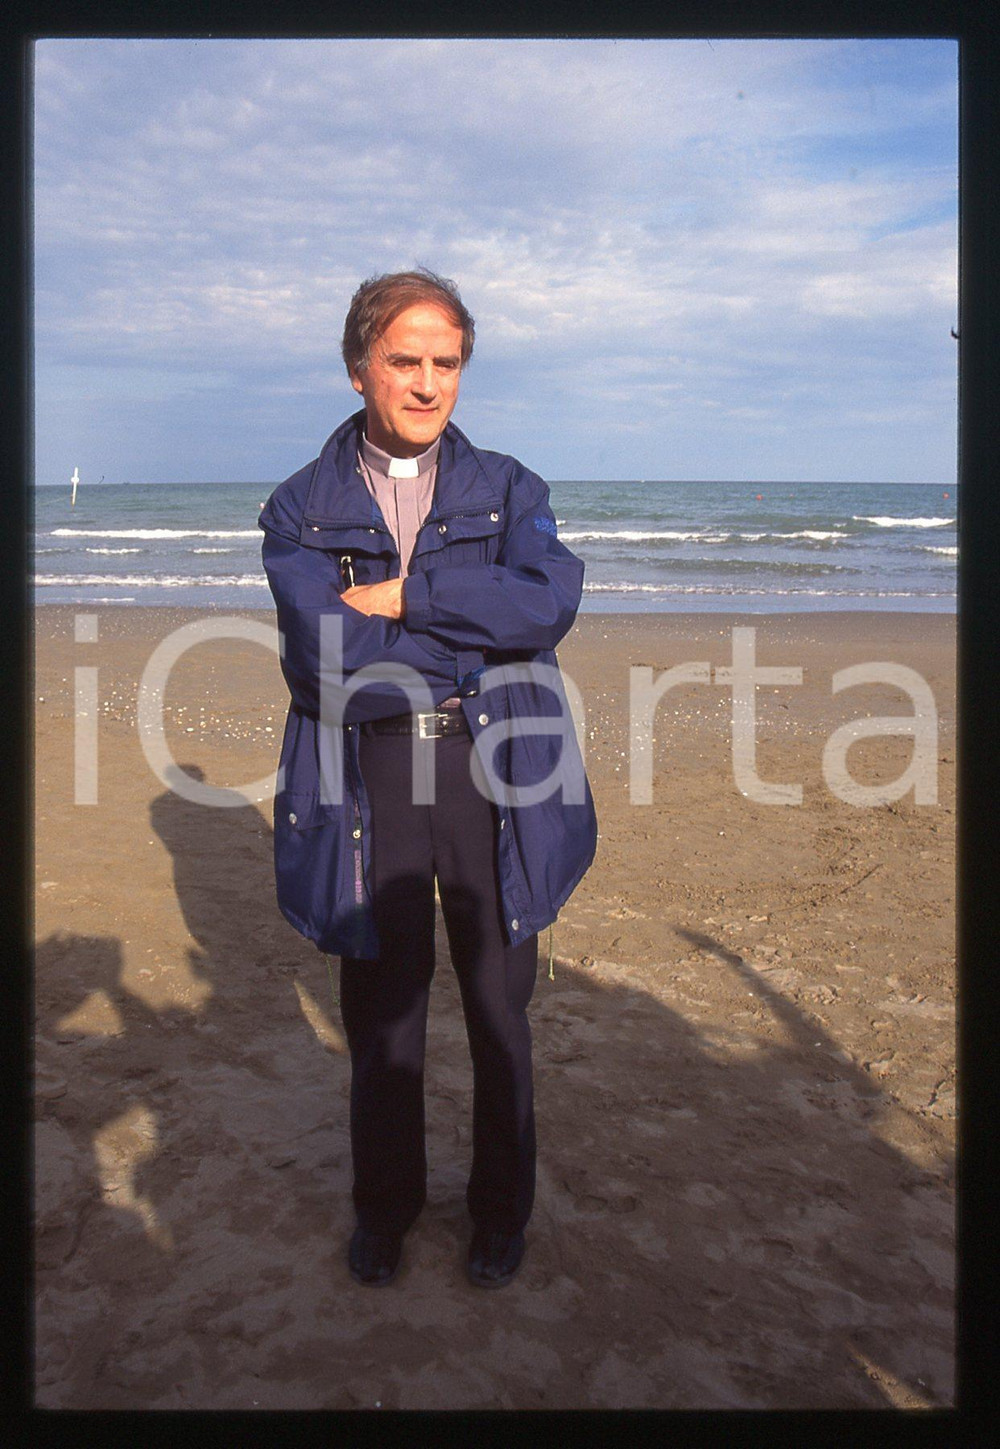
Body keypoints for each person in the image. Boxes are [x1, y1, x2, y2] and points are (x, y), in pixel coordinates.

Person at [258, 268, 597, 1289]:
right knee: (384, 1014)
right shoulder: (299, 507)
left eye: (444, 363)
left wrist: (404, 595)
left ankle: (501, 1215)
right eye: (403, 361)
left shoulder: (508, 488)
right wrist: (464, 630)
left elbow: (545, 607)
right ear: (358, 366)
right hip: (374, 777)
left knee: (500, 1011)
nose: (425, 383)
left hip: (497, 772)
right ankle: (385, 1209)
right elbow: (319, 662)